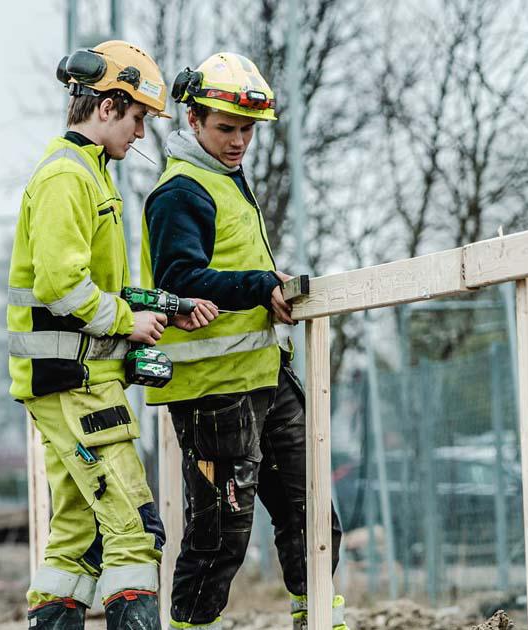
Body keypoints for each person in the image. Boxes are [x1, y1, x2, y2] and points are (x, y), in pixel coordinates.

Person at [7, 40, 217, 630]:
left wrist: (163, 307)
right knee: (134, 530)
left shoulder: (88, 175)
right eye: (138, 118)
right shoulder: (66, 179)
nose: (142, 134)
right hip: (76, 384)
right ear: (107, 107)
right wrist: (130, 322)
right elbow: (61, 286)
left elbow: (96, 288)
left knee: (76, 536)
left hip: (77, 380)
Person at [140, 52, 347, 630]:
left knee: (311, 514)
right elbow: (177, 280)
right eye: (226, 129)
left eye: (247, 131)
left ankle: (321, 619)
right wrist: (261, 286)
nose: (238, 142)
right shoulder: (181, 191)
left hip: (266, 379)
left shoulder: (226, 183)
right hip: (214, 393)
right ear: (193, 120)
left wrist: (269, 293)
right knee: (218, 539)